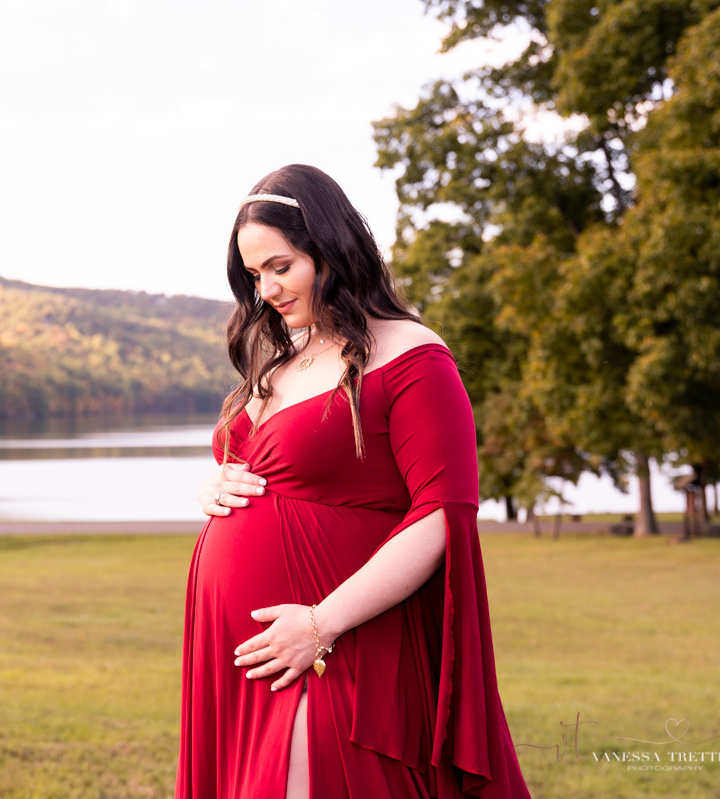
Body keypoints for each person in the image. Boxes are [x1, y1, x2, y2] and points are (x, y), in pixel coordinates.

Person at [176, 164, 532, 798]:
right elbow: (274, 470)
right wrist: (216, 488)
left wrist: (321, 622)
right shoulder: (285, 355)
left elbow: (441, 514)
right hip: (247, 651)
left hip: (339, 640)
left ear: (331, 247)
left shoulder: (412, 353)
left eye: (281, 267)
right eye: (254, 276)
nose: (268, 292)